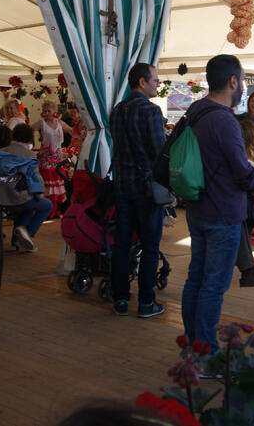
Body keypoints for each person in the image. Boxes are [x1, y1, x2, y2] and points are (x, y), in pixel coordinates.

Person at [181, 54, 254, 353]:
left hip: (197, 206)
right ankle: (205, 353)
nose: (241, 86)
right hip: (222, 212)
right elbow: (242, 170)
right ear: (232, 81)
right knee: (213, 286)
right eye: (240, 80)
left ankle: (191, 345)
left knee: (196, 279)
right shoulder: (225, 120)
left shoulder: (196, 110)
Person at [108, 63, 167, 318]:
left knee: (122, 244)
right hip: (146, 189)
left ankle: (120, 299)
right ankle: (145, 302)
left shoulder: (117, 111)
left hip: (122, 186)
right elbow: (158, 152)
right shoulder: (151, 112)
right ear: (141, 82)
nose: (158, 84)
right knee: (150, 245)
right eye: (155, 80)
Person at [0, 123, 53, 252]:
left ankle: (19, 238)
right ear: (29, 138)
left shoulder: (1, 152)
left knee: (28, 207)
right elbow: (35, 178)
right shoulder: (29, 155)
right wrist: (39, 194)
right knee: (46, 205)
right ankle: (27, 233)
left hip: (0, 198)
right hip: (20, 197)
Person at [233, 119, 254, 288]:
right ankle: (247, 268)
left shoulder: (236, 159)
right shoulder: (250, 164)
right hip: (242, 209)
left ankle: (247, 267)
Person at [37, 100, 74, 218]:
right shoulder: (41, 123)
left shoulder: (60, 123)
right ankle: (48, 210)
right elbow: (26, 130)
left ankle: (56, 210)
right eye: (45, 111)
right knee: (48, 182)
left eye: (49, 110)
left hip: (57, 157)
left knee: (57, 181)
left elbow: (72, 131)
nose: (47, 113)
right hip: (46, 157)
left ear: (54, 111)